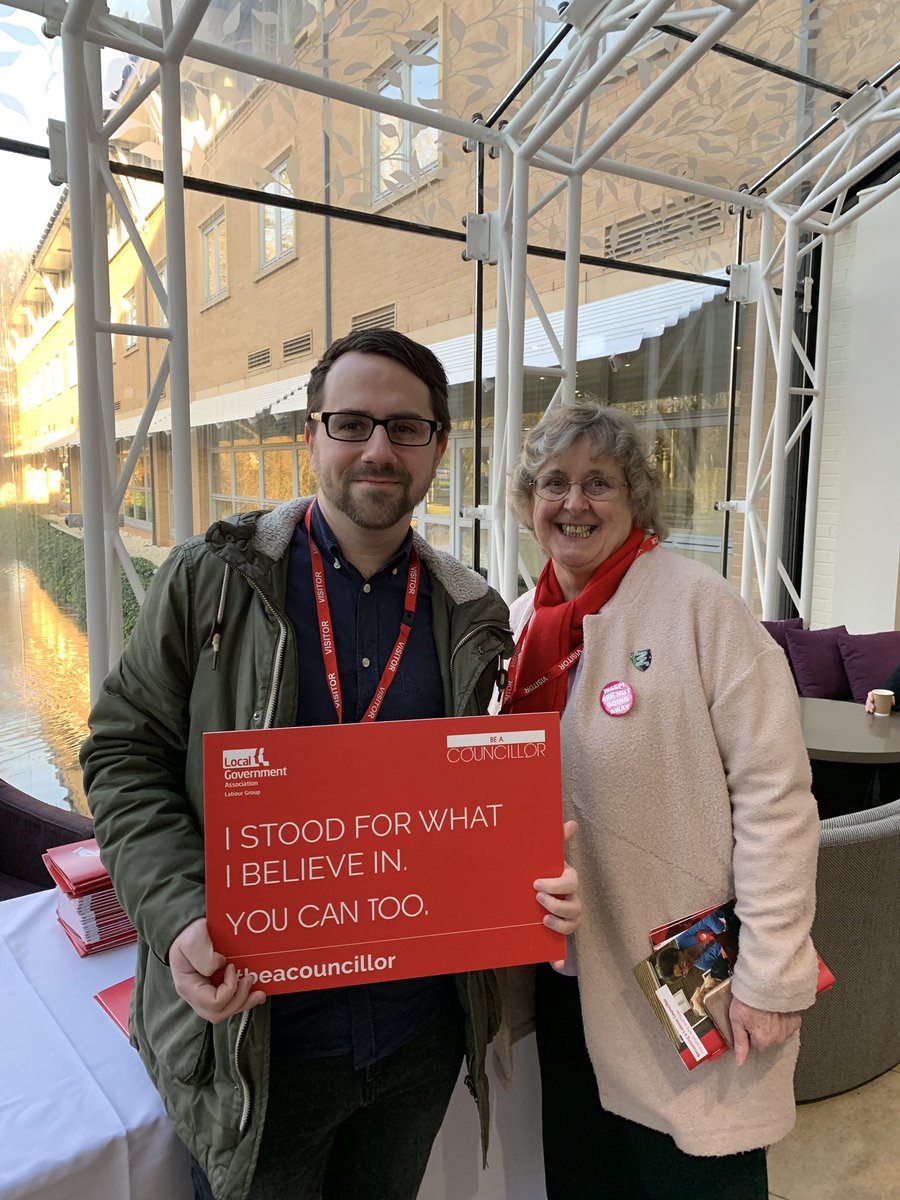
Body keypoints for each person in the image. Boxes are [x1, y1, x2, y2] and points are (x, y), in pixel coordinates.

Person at [80, 329, 580, 1200]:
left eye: (407, 428)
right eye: (351, 423)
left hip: (416, 1044)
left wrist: (531, 875)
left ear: (438, 448)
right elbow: (122, 754)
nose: (379, 449)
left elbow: (460, 804)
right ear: (310, 437)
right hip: (259, 1048)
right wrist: (182, 916)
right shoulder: (212, 581)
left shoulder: (473, 615)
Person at [502, 400, 820, 1200]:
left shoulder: (701, 607)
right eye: (554, 483)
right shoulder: (515, 626)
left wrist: (772, 973)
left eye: (598, 482)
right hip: (564, 976)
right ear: (528, 503)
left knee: (694, 1176)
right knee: (586, 1174)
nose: (573, 503)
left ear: (637, 499)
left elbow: (776, 797)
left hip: (684, 966)